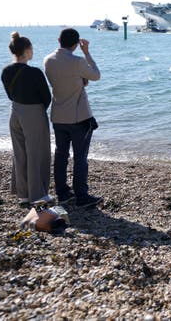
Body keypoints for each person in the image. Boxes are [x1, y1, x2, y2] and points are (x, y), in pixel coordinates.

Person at [44, 28, 102, 208]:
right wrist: (87, 52)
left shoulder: (48, 60)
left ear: (58, 39)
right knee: (80, 157)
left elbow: (65, 80)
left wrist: (79, 79)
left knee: (61, 155)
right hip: (79, 117)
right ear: (76, 44)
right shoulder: (78, 61)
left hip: (58, 115)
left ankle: (62, 193)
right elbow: (96, 75)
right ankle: (81, 196)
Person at [1, 31, 53, 206]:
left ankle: (23, 193)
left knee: (20, 152)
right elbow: (47, 97)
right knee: (37, 152)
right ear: (27, 50)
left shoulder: (6, 71)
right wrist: (38, 111)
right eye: (32, 49)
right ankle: (38, 194)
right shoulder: (35, 72)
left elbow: (9, 94)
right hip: (33, 112)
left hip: (15, 111)